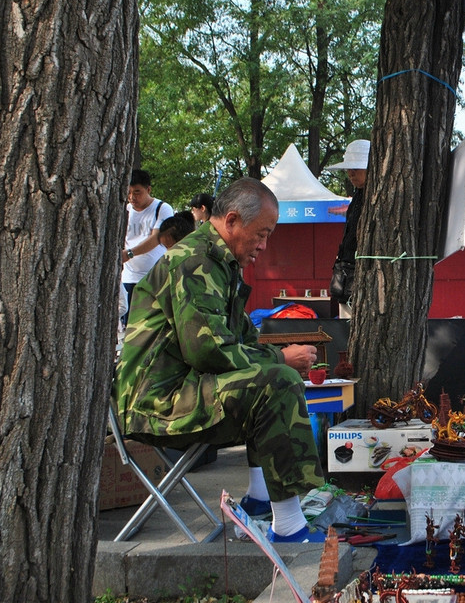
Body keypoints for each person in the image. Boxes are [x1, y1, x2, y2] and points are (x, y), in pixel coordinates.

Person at [114, 177, 327, 542]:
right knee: (277, 382)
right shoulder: (194, 260)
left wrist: (276, 358)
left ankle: (261, 500)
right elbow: (209, 350)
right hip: (157, 401)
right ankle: (289, 529)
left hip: (183, 387)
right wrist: (280, 358)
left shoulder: (218, 262)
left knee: (270, 377)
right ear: (230, 221)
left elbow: (238, 340)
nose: (264, 246)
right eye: (261, 234)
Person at [121, 169, 174, 325]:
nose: (132, 197)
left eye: (137, 192)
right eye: (129, 193)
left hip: (154, 276)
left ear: (148, 190)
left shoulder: (162, 208)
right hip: (129, 277)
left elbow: (157, 237)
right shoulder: (125, 210)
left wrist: (129, 253)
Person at [326, 139, 370, 318]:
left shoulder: (374, 198)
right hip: (346, 278)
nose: (351, 173)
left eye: (356, 168)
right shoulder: (357, 198)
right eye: (349, 169)